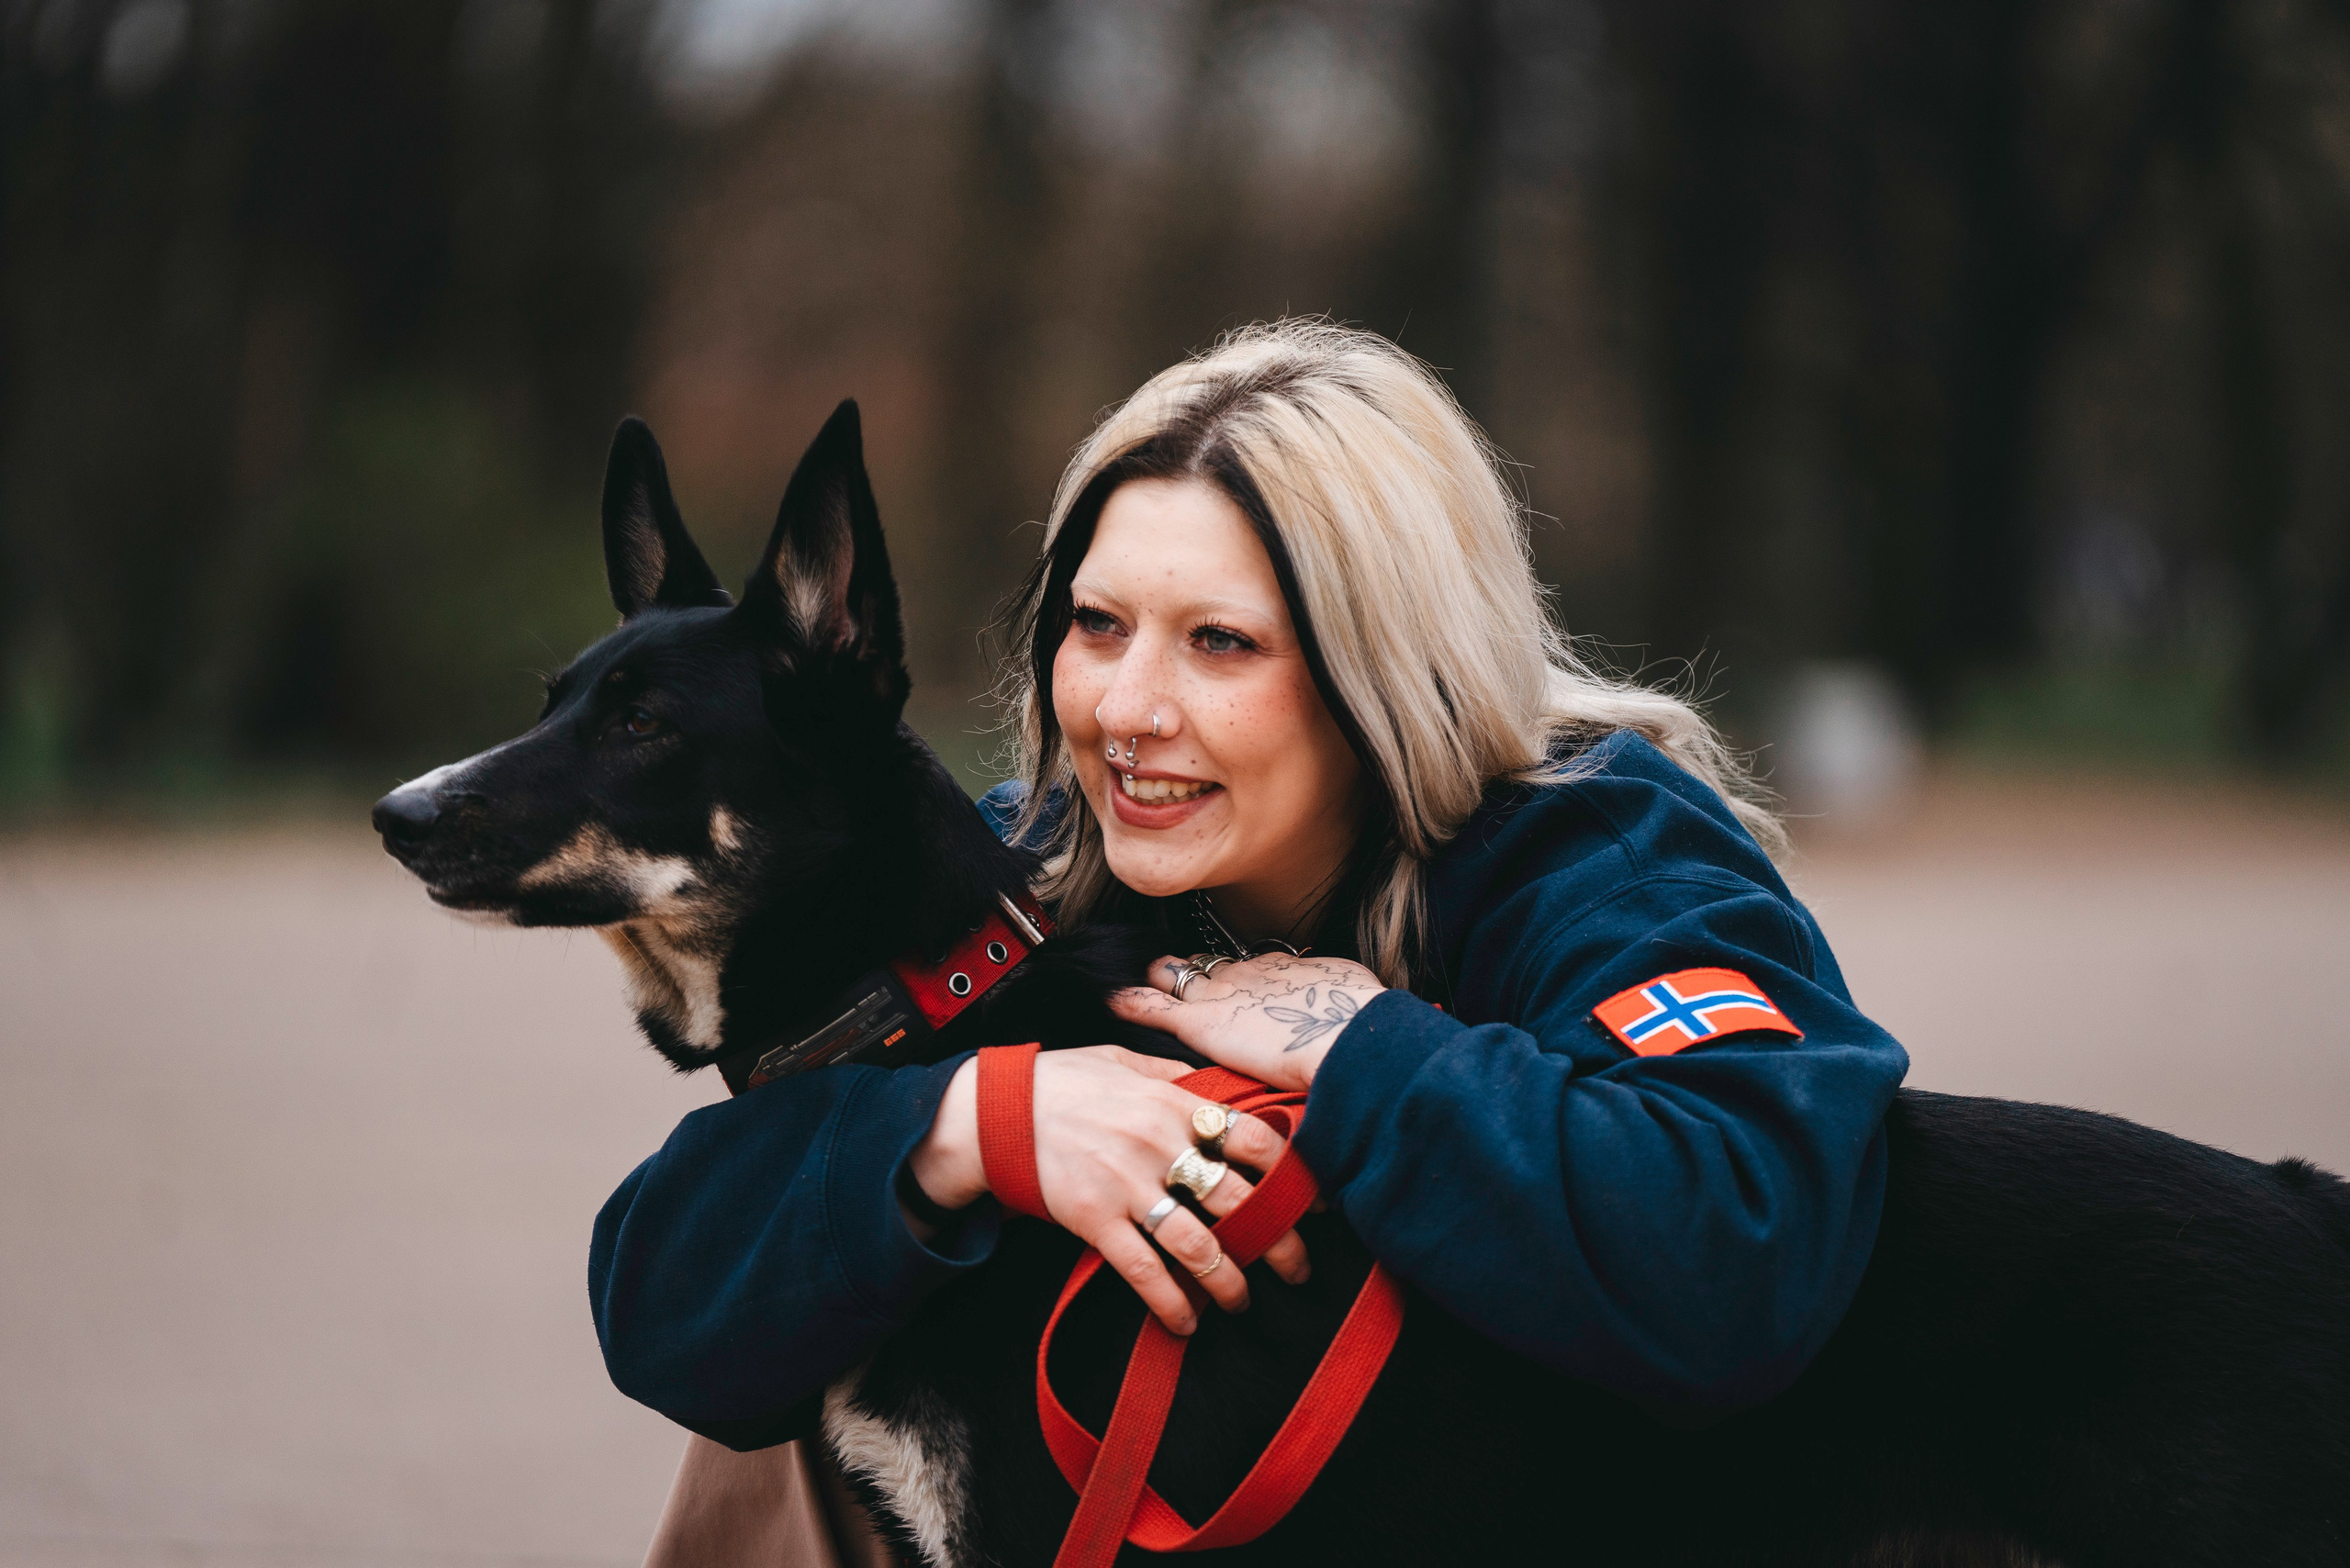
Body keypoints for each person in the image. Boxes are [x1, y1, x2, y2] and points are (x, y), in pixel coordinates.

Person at [592, 319, 1908, 1507]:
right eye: (1099, 625)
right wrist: (980, 1123)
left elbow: (1737, 1253)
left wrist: (1366, 1049)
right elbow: (668, 1306)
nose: (1124, 710)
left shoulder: (1598, 851)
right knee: (802, 1414)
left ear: (1385, 663)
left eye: (1220, 642)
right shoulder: (1025, 867)